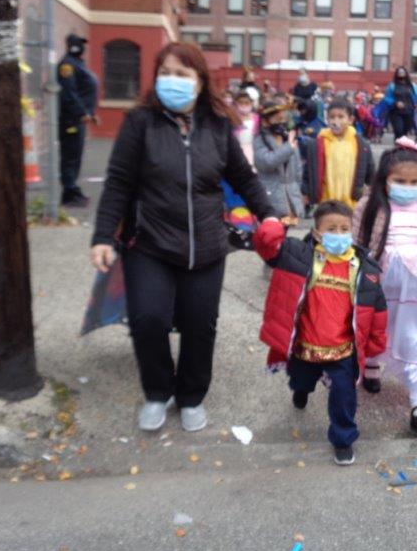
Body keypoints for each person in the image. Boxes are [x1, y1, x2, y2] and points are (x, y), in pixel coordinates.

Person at [90, 42, 276, 433]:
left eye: (181, 74)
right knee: (148, 320)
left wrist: (269, 214)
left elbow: (243, 177)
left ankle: (191, 396)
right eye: (165, 73)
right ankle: (158, 392)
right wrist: (103, 235)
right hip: (149, 243)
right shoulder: (140, 123)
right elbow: (119, 182)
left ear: (199, 81)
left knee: (200, 324)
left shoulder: (217, 125)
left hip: (206, 245)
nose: (172, 80)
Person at [254, 201, 388, 466]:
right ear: (316, 233)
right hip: (305, 345)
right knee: (301, 380)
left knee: (344, 395)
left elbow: (378, 308)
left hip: (343, 349)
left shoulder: (365, 269)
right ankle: (301, 389)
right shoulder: (297, 256)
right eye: (331, 229)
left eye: (344, 229)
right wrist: (274, 224)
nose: (339, 234)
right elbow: (267, 246)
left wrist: (376, 342)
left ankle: (343, 439)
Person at [354, 140, 417, 432]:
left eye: (413, 182)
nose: (407, 187)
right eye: (399, 181)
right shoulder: (369, 206)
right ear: (384, 180)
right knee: (377, 325)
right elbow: (355, 243)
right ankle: (371, 365)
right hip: (378, 286)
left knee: (416, 337)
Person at [299, 98, 374, 210]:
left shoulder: (361, 145)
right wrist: (305, 192)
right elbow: (308, 172)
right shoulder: (317, 144)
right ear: (327, 119)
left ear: (350, 119)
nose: (335, 121)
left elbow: (370, 170)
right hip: (325, 202)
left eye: (341, 117)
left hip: (352, 203)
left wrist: (372, 191)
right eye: (332, 117)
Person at [57, 33, 99, 208]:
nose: (83, 47)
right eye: (80, 44)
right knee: (70, 156)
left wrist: (90, 113)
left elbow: (83, 90)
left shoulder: (77, 63)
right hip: (71, 120)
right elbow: (69, 93)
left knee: (75, 156)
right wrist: (81, 112)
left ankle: (73, 189)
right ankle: (69, 193)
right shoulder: (67, 65)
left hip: (79, 119)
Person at [253, 100, 304, 225]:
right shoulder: (260, 139)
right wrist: (288, 148)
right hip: (271, 197)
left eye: (283, 118)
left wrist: (298, 191)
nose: (282, 122)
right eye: (277, 118)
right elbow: (266, 163)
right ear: (265, 121)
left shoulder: (287, 137)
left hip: (290, 199)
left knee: (286, 233)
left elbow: (298, 169)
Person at [380, 66, 417, 140]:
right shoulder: (392, 86)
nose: (401, 73)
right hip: (395, 112)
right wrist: (395, 103)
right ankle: (398, 143)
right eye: (399, 72)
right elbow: (387, 98)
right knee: (398, 130)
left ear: (406, 74)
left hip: (409, 111)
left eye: (402, 72)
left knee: (405, 131)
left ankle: (402, 144)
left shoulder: (412, 86)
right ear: (396, 74)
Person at [232, 90, 259, 167]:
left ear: (251, 103)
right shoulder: (233, 118)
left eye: (247, 103)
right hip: (236, 150)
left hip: (252, 150)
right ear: (236, 104)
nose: (243, 105)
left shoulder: (256, 118)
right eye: (241, 103)